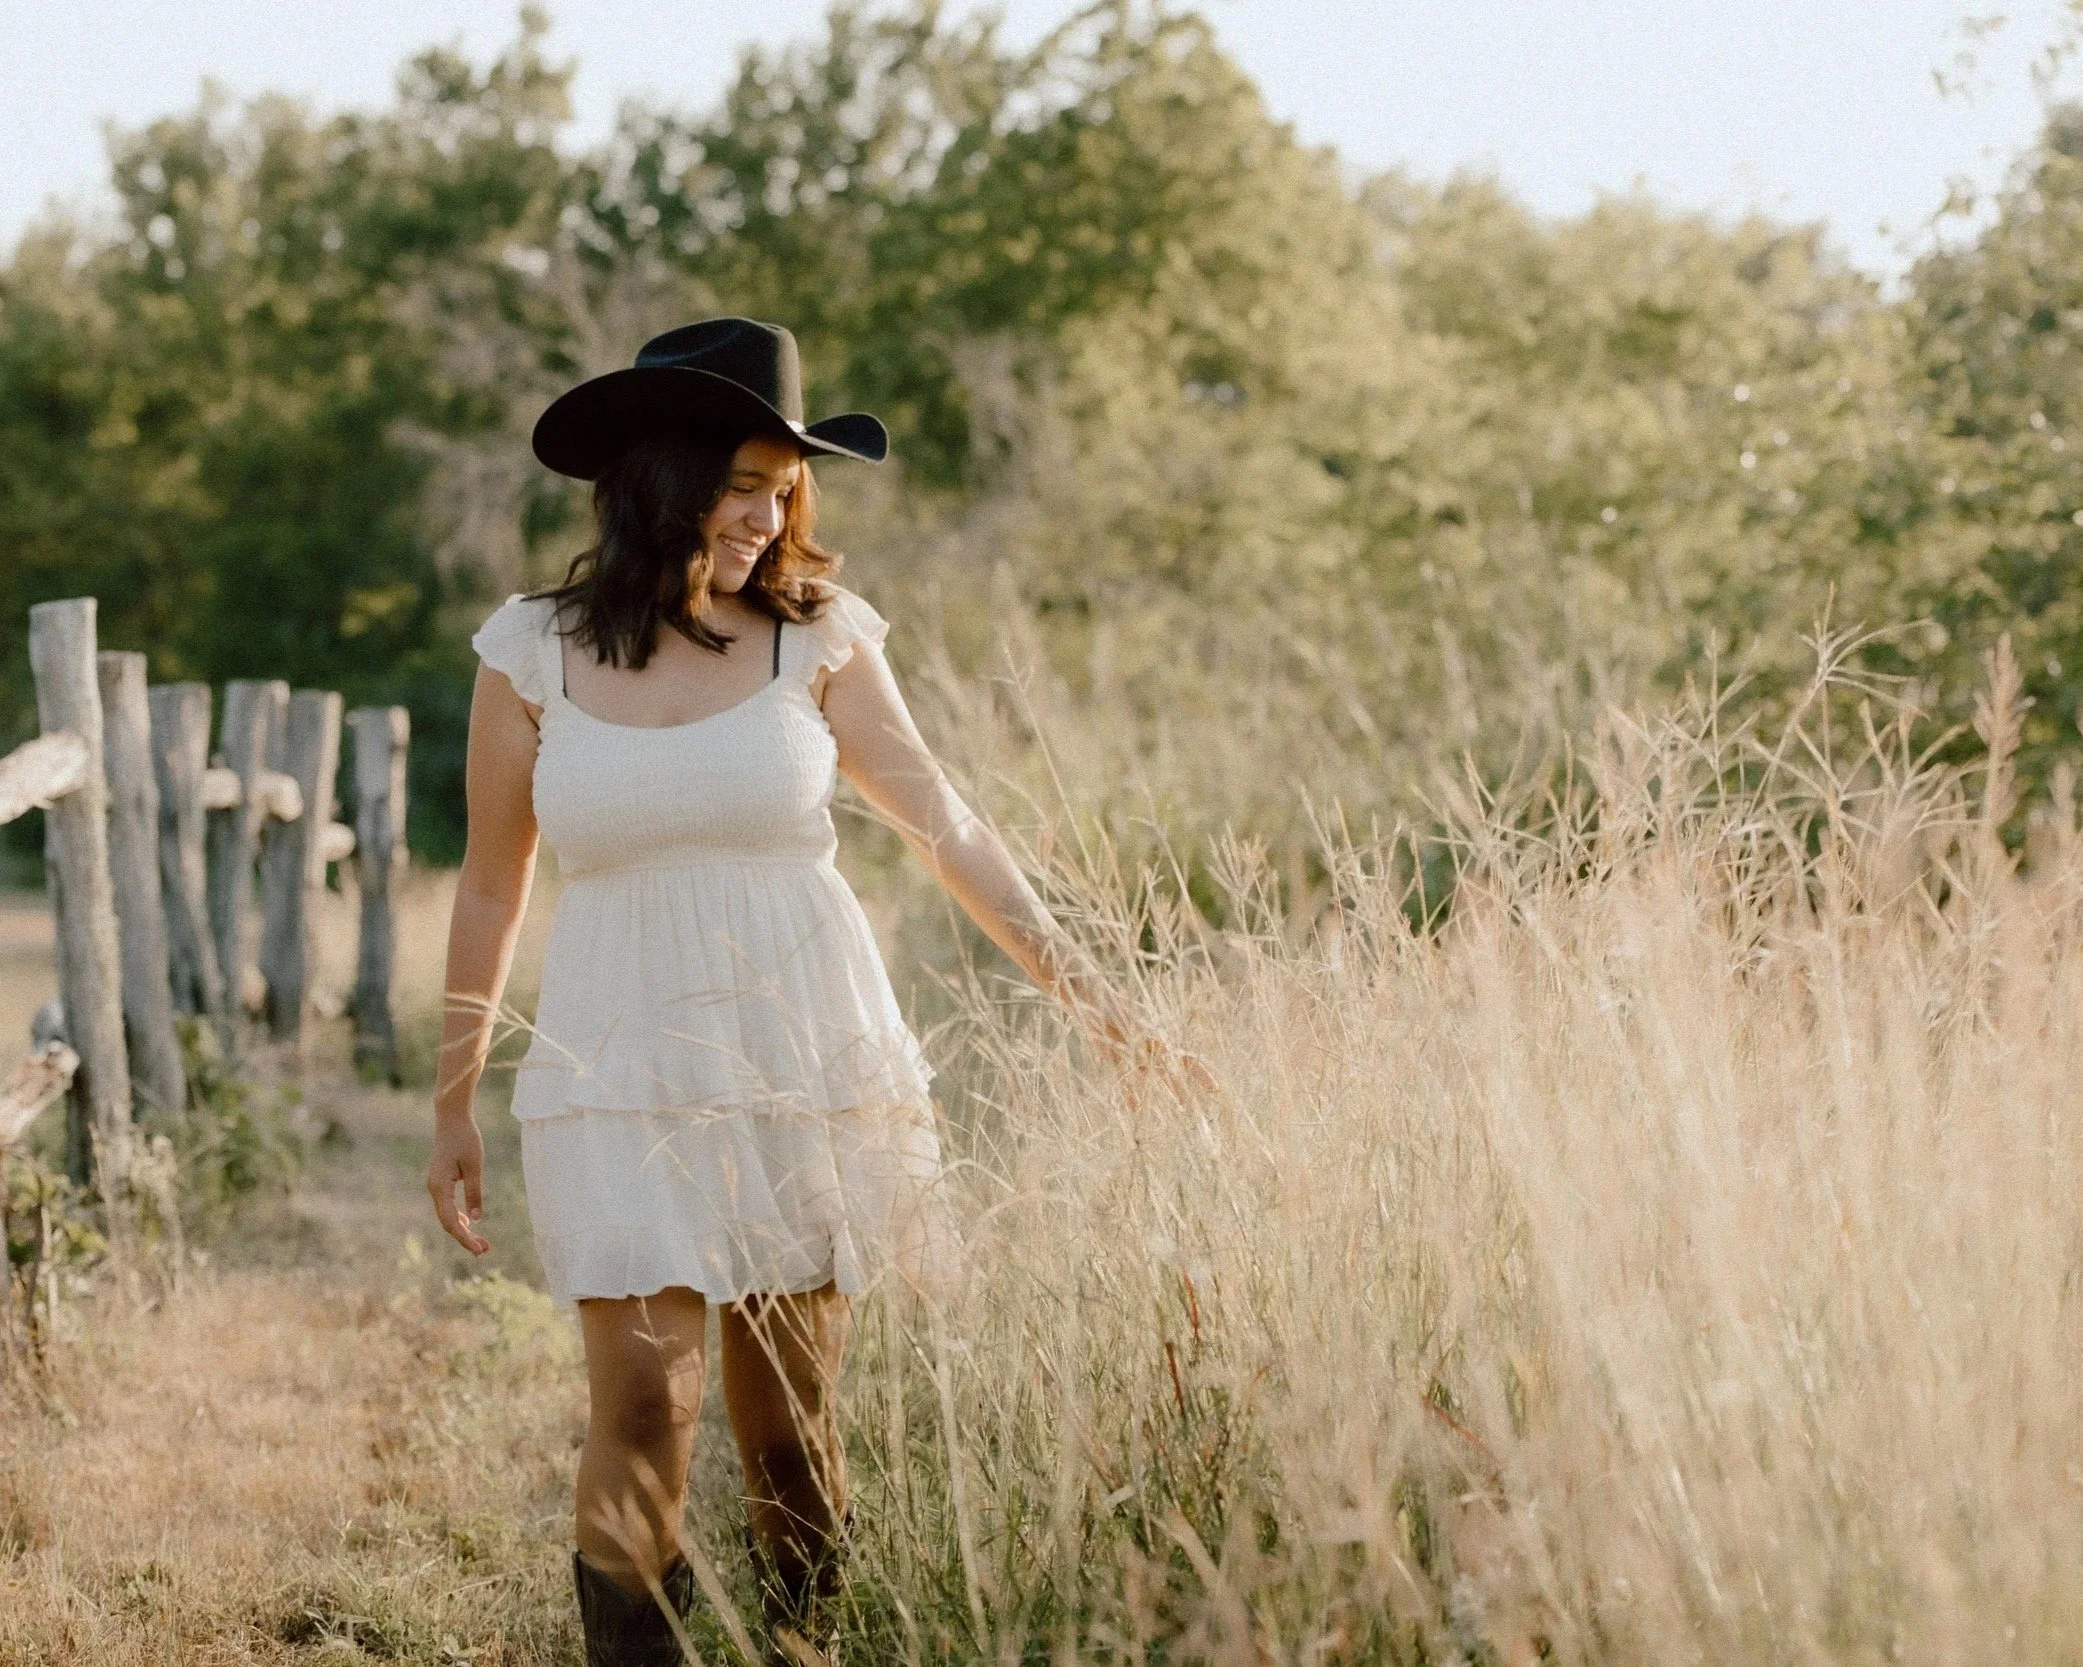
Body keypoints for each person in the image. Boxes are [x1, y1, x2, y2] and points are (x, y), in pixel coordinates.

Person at [427, 317, 1187, 1666]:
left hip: (802, 1050)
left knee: (787, 1422)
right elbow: (491, 883)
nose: (766, 515)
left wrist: (1093, 991)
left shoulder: (814, 636)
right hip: (617, 1062)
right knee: (645, 1402)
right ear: (656, 477)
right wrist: (454, 1103)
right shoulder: (528, 653)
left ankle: (806, 1641)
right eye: (740, 484)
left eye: (784, 488)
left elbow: (942, 821)